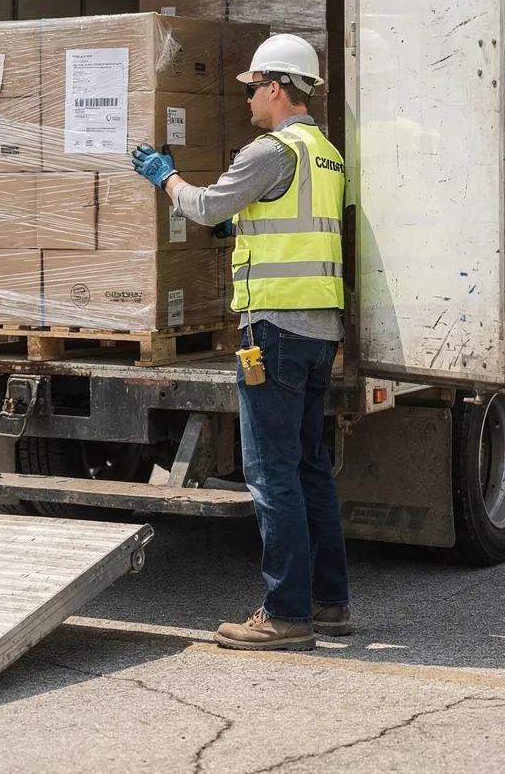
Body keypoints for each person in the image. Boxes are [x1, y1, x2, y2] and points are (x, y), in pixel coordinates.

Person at [130, 33, 348, 652]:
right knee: (308, 467)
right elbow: (295, 220)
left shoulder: (268, 151)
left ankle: (285, 615)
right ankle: (330, 604)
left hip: (274, 329)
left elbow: (199, 207)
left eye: (253, 87)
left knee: (270, 472)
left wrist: (165, 175)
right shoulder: (325, 154)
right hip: (318, 328)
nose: (248, 98)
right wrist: (242, 215)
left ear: (276, 88)